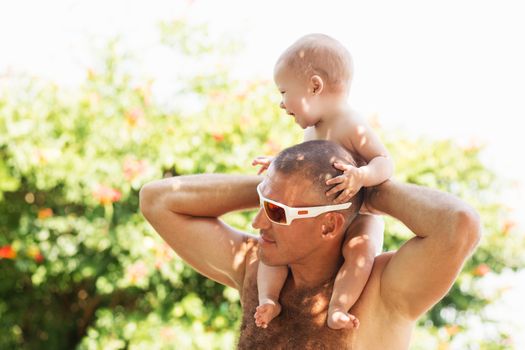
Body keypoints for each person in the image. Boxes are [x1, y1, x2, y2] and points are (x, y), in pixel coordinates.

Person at [139, 140, 481, 349]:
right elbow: (157, 200)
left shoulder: (383, 290)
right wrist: (274, 185)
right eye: (262, 205)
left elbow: (458, 225)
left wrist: (362, 189)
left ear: (329, 224)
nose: (258, 223)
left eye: (275, 212)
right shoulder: (256, 270)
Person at [252, 33, 394, 329]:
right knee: (271, 244)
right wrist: (278, 164)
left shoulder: (351, 123)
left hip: (356, 216)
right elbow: (304, 168)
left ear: (314, 86)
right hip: (318, 223)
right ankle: (268, 298)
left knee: (361, 250)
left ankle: (338, 308)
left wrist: (362, 175)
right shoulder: (312, 130)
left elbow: (385, 162)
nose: (281, 104)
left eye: (283, 92)